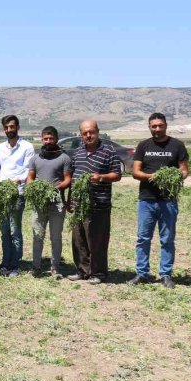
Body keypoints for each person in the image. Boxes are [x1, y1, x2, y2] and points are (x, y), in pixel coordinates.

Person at [129, 113, 189, 289]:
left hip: (168, 200)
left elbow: (184, 170)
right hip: (146, 199)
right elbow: (135, 172)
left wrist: (173, 177)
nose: (157, 129)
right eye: (153, 126)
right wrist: (151, 177)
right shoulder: (143, 145)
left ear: (165, 126)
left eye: (160, 125)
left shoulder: (177, 145)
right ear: (149, 127)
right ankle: (142, 272)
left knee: (167, 239)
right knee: (143, 238)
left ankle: (166, 274)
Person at [67, 120, 122, 284]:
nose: (88, 135)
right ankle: (83, 270)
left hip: (99, 204)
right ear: (81, 135)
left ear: (98, 132)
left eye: (91, 132)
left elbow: (117, 175)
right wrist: (70, 198)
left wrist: (101, 177)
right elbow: (74, 178)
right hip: (79, 204)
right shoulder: (77, 152)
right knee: (79, 239)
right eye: (85, 133)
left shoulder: (108, 151)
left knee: (97, 240)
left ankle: (99, 273)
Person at [0, 114, 35, 277]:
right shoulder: (1, 148)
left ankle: (15, 265)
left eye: (12, 127)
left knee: (15, 230)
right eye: (6, 127)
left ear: (18, 127)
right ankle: (5, 261)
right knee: (4, 229)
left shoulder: (27, 147)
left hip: (17, 194)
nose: (9, 130)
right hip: (2, 194)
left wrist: (18, 180)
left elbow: (29, 170)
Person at [26, 126, 71, 279]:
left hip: (57, 203)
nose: (48, 141)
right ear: (42, 139)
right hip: (39, 203)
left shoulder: (64, 158)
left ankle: (55, 268)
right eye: (45, 138)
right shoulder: (35, 159)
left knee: (56, 236)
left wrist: (53, 189)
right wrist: (37, 189)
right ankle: (36, 267)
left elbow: (67, 180)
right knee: (37, 235)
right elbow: (30, 178)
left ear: (56, 139)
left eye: (51, 138)